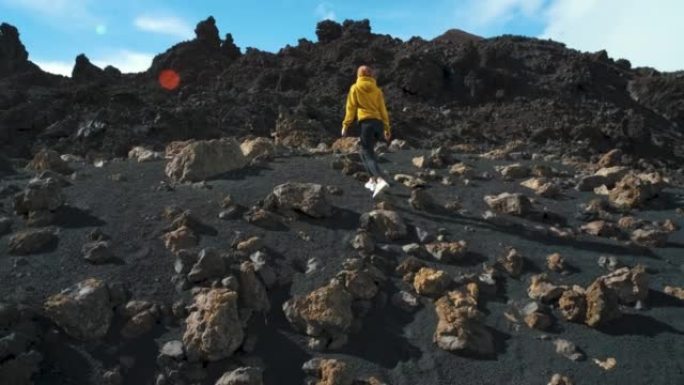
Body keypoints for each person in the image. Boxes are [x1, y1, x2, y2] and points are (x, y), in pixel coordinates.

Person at [341, 65, 392, 198]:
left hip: (366, 124)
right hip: (378, 124)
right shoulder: (377, 90)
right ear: (370, 75)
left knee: (367, 153)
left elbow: (351, 108)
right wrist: (386, 128)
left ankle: (379, 180)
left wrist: (345, 125)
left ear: (359, 75)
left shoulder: (355, 88)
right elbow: (383, 110)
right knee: (365, 151)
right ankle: (372, 180)